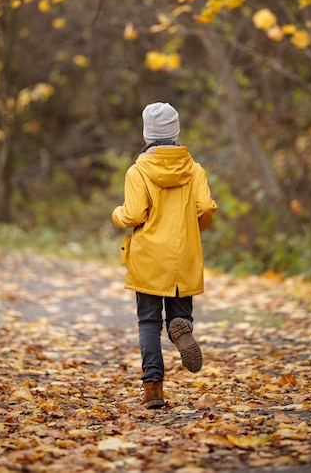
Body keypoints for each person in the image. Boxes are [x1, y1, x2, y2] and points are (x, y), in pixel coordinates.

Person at [112, 102, 217, 409]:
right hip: (184, 255)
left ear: (147, 133)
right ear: (176, 131)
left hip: (148, 258)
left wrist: (117, 215)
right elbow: (206, 208)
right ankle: (180, 329)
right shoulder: (194, 169)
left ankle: (153, 389)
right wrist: (194, 227)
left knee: (148, 323)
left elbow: (133, 213)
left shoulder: (138, 171)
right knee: (179, 315)